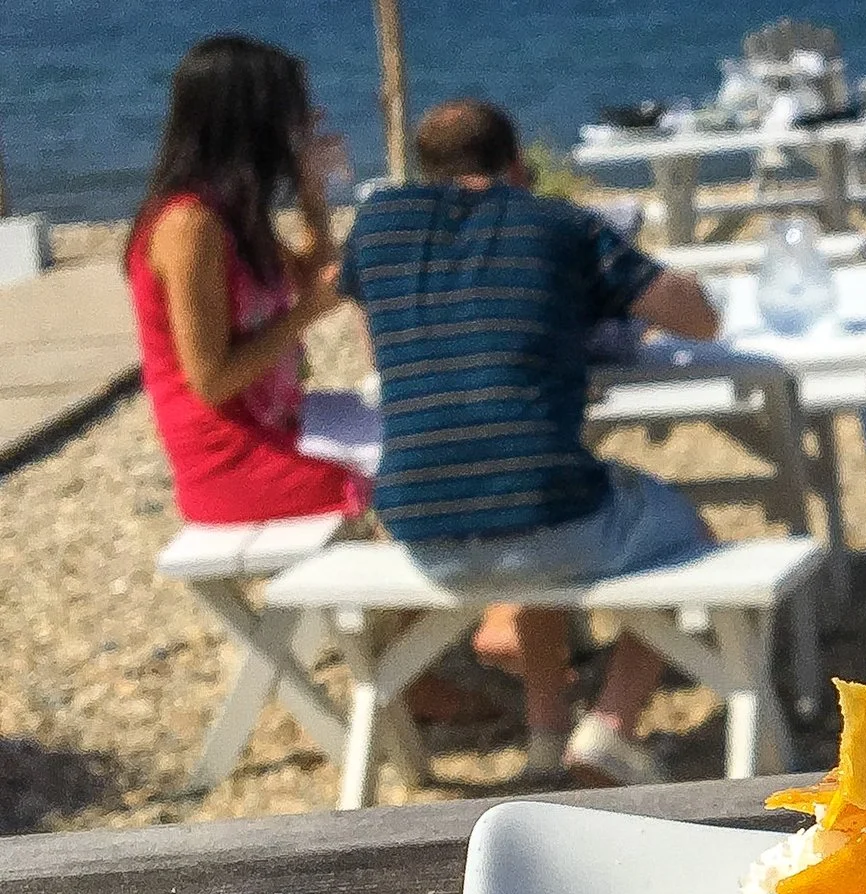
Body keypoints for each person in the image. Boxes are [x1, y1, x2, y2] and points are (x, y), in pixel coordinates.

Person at [339, 98, 722, 785]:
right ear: (518, 164)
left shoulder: (377, 227)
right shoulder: (557, 223)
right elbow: (697, 319)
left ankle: (546, 739)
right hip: (545, 514)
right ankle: (608, 725)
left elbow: (379, 345)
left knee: (538, 527)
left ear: (428, 169)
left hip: (419, 529)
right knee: (688, 529)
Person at [125, 36, 367, 526]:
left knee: (418, 441)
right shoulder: (189, 225)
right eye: (294, 112)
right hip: (226, 458)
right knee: (396, 484)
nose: (305, 123)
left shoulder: (232, 210)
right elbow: (212, 382)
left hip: (275, 421)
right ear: (253, 122)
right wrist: (307, 312)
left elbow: (313, 273)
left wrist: (311, 192)